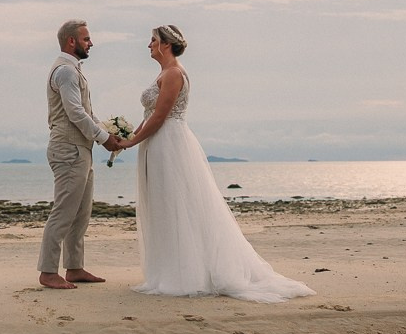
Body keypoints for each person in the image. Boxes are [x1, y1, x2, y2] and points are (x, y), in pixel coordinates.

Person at [112, 25, 314, 301]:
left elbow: (160, 117)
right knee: (163, 204)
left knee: (177, 205)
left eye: (153, 40)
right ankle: (170, 268)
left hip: (169, 143)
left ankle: (185, 274)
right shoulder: (163, 73)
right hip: (156, 143)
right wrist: (128, 137)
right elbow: (149, 115)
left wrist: (132, 142)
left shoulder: (173, 74)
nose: (148, 45)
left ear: (166, 45)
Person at [40, 19, 125, 291]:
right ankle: (48, 271)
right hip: (67, 149)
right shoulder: (65, 71)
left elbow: (87, 112)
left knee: (81, 213)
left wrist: (106, 133)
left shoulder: (73, 70)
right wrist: (103, 138)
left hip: (81, 149)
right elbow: (75, 113)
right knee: (64, 212)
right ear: (71, 42)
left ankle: (74, 267)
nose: (91, 43)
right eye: (87, 39)